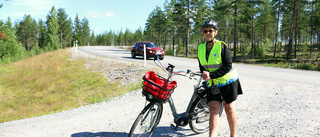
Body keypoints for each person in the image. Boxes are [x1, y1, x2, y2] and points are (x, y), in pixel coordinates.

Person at [197, 20, 243, 137]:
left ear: (215, 32)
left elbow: (228, 65)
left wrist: (211, 75)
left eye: (210, 30)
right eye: (205, 31)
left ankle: (233, 135)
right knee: (213, 108)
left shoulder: (222, 46)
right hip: (213, 83)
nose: (208, 33)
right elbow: (202, 66)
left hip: (228, 81)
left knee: (229, 108)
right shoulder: (201, 48)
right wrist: (204, 73)